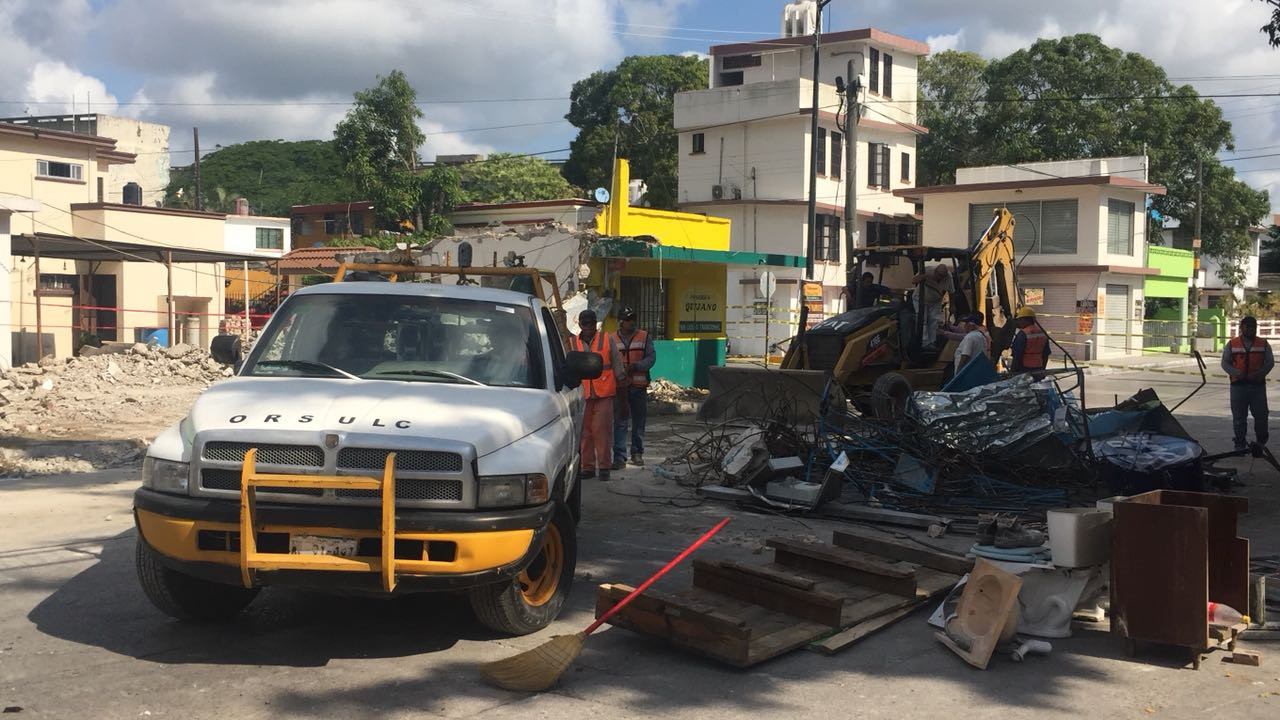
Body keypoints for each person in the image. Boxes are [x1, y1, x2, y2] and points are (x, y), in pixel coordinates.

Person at [569, 309, 625, 481]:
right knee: (584, 433)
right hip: (582, 395)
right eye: (585, 324)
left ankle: (604, 467)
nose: (588, 327)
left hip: (604, 394)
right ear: (579, 324)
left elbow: (617, 362)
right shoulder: (572, 343)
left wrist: (622, 383)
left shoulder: (606, 339)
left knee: (602, 432)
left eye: (591, 323)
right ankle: (587, 467)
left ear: (595, 324)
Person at [612, 307, 657, 469]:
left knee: (639, 422)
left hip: (638, 387)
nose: (631, 322)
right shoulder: (612, 339)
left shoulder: (644, 337)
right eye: (628, 320)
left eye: (632, 319)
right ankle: (619, 457)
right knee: (620, 421)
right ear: (621, 322)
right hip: (620, 388)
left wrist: (637, 366)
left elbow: (651, 358)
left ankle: (637, 453)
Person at [1222, 315, 1273, 450]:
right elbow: (1225, 363)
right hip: (1238, 387)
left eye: (1253, 327)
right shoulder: (1232, 344)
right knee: (1239, 417)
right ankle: (1240, 443)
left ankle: (1261, 443)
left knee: (1261, 416)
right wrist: (1236, 373)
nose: (1251, 329)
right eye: (1248, 326)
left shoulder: (1263, 344)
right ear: (1241, 328)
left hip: (1257, 387)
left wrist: (1259, 374)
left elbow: (1270, 362)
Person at [912, 264, 953, 348]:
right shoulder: (926, 270)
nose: (940, 278)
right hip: (920, 299)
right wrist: (923, 276)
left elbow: (952, 292)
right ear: (935, 272)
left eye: (943, 276)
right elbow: (913, 280)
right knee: (922, 319)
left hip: (936, 301)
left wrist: (953, 305)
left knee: (934, 320)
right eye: (939, 275)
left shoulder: (949, 277)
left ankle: (932, 342)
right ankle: (924, 343)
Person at [1010, 306, 1050, 373]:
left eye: (1020, 320)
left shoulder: (1023, 334)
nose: (1019, 322)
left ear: (1025, 320)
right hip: (1038, 368)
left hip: (1024, 369)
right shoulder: (1043, 333)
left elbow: (1017, 355)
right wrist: (1042, 370)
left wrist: (1012, 372)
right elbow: (1046, 353)